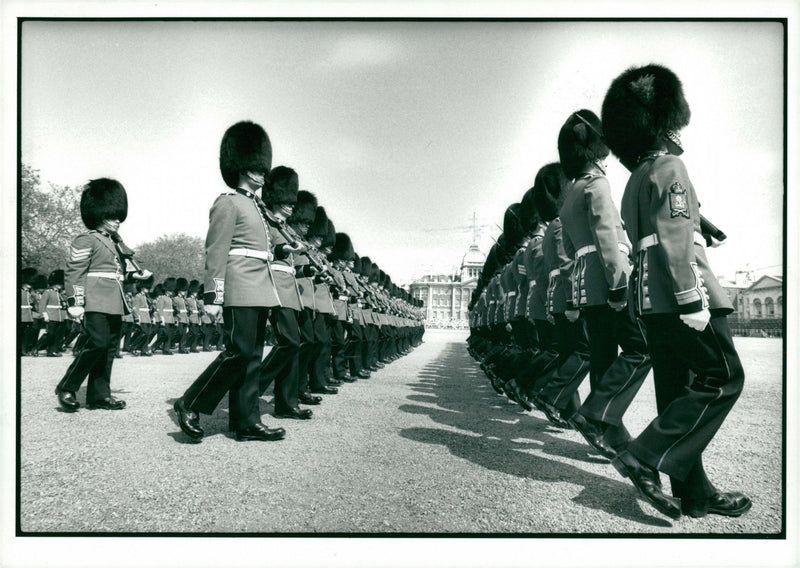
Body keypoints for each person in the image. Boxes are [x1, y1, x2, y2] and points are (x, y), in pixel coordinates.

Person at [601, 63, 749, 519]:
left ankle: (694, 492)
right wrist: (693, 299)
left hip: (650, 301)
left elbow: (662, 225)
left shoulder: (636, 178)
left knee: (675, 389)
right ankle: (642, 455)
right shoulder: (671, 165)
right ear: (661, 124)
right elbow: (676, 235)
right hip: (683, 294)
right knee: (723, 377)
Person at [173, 120, 286, 442]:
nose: (262, 174)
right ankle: (190, 402)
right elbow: (216, 249)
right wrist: (213, 294)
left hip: (260, 287)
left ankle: (246, 421)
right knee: (238, 353)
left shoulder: (257, 207)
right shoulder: (228, 202)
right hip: (239, 286)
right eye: (256, 168)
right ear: (241, 167)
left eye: (263, 168)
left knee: (252, 358)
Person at [556, 109, 652, 458]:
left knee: (603, 356)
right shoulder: (596, 185)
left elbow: (570, 251)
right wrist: (617, 283)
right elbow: (608, 236)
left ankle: (609, 431)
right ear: (597, 152)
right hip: (606, 278)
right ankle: (596, 414)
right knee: (641, 348)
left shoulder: (570, 195)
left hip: (585, 283)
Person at [54, 178, 152, 411]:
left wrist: (134, 277)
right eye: (112, 216)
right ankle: (67, 387)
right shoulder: (86, 239)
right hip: (95, 300)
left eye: (119, 216)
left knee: (108, 349)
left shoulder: (115, 243)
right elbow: (75, 272)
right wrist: (75, 302)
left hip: (114, 301)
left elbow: (117, 275)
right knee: (97, 344)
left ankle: (99, 395)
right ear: (99, 215)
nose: (117, 221)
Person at [257, 165, 315, 418]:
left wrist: (307, 271)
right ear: (275, 199)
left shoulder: (284, 227)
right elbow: (262, 251)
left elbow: (291, 266)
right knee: (290, 342)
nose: (291, 206)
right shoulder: (266, 222)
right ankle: (252, 387)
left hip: (290, 290)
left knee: (294, 345)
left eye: (293, 202)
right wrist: (282, 250)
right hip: (274, 287)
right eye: (287, 201)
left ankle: (286, 403)